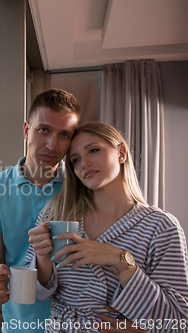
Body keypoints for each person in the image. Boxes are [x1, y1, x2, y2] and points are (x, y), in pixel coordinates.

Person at [26, 122, 188, 333]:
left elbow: (178, 323)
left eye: (93, 150)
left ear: (121, 153)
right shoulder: (55, 215)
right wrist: (42, 257)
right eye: (75, 160)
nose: (83, 164)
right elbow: (34, 293)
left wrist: (119, 260)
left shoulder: (160, 227)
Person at [0, 89, 81, 332]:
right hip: (18, 325)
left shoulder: (81, 188)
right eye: (43, 130)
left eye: (64, 135)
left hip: (75, 325)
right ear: (27, 130)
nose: (52, 145)